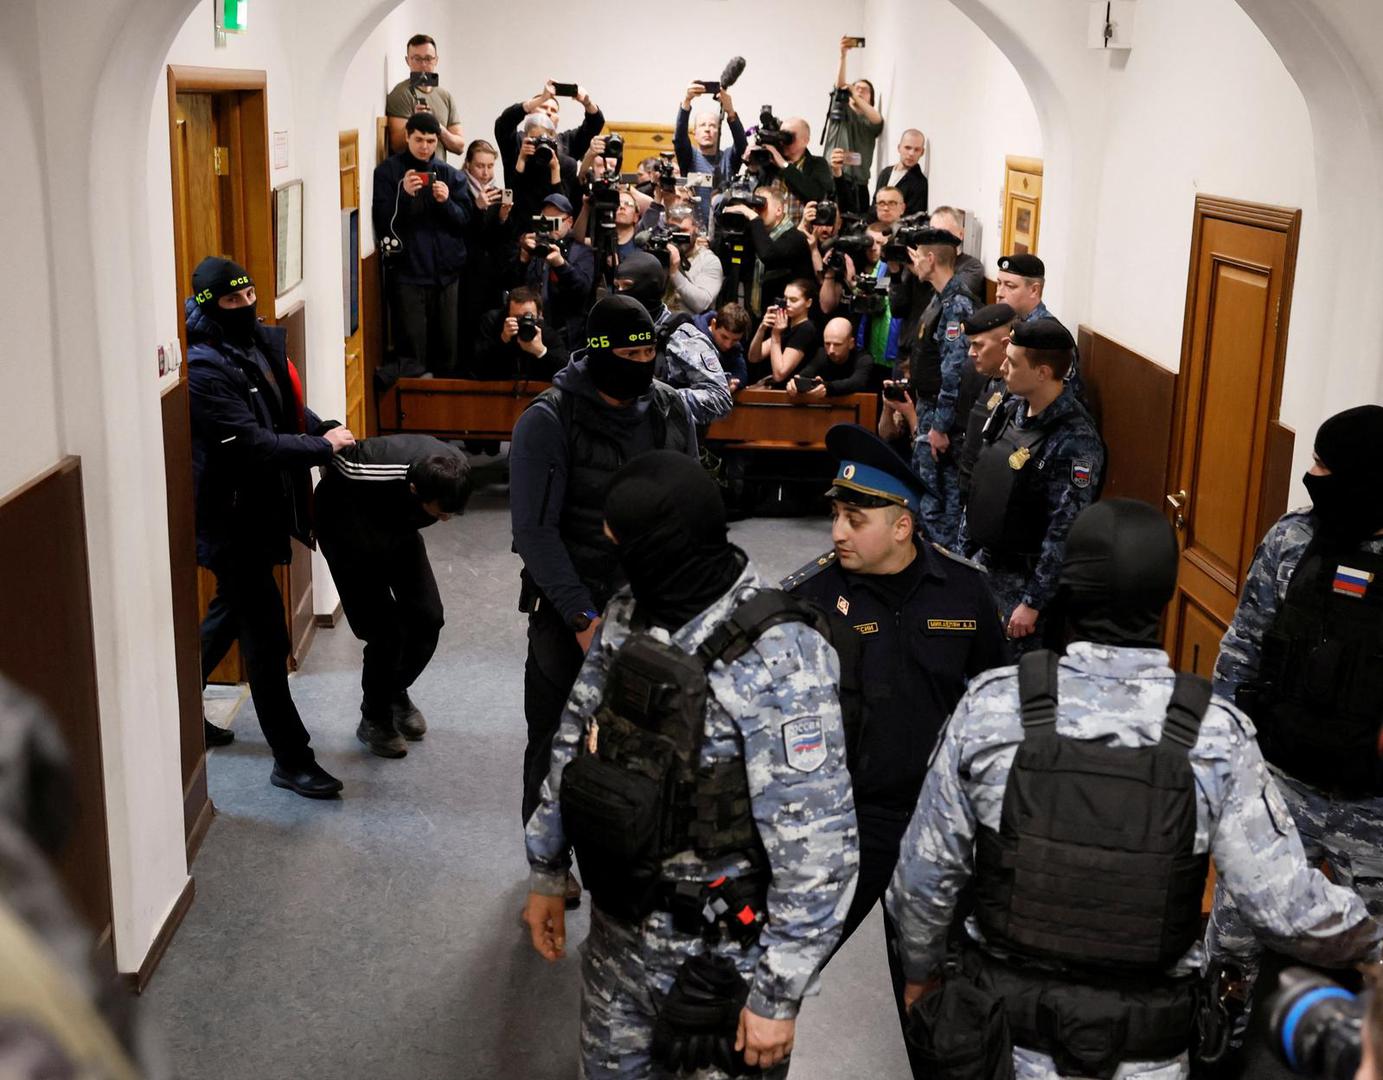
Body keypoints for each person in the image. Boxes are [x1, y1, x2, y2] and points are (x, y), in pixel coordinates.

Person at [887, 498, 1383, 1080]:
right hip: (1145, 1053)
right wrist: (1371, 943)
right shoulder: (1213, 735)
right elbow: (1284, 907)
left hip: (1003, 1043)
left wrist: (920, 974)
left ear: (1070, 587)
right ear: (1165, 595)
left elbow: (922, 879)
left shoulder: (993, 707)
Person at [523, 450, 859, 1078]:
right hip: (618, 944)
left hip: (719, 969)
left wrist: (777, 996)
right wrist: (546, 868)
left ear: (663, 547)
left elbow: (818, 845)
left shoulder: (781, 655)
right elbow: (576, 739)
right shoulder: (629, 613)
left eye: (623, 546)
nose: (616, 561)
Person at [785, 425, 1007, 1076]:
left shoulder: (965, 591)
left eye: (854, 520)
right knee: (779, 973)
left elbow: (996, 705)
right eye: (835, 516)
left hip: (943, 828)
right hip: (851, 823)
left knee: (938, 1007)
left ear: (903, 526)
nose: (837, 532)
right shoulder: (807, 599)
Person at [1206, 405, 1383, 1010]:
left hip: (1372, 808)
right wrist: (1227, 764)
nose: (1312, 476)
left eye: (1324, 466)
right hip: (1280, 787)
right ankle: (1217, 1043)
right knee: (1233, 945)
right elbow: (1242, 650)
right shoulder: (1292, 539)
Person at [509, 296, 698, 843]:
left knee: (649, 743)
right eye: (629, 353)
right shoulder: (548, 420)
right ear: (597, 352)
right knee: (555, 744)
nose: (641, 364)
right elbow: (535, 534)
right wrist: (582, 618)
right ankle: (549, 860)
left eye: (649, 352)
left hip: (651, 608)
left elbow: (687, 506)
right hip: (570, 608)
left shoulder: (670, 410)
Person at [186, 256, 350, 799]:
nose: (246, 304)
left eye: (250, 294)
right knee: (266, 637)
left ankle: (180, 716)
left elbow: (282, 408)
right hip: (229, 520)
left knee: (227, 615)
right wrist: (319, 447)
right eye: (232, 300)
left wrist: (321, 427)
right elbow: (249, 443)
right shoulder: (204, 367)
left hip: (259, 511)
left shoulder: (253, 341)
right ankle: (292, 759)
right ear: (210, 305)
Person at [314, 436, 470, 758]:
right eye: (440, 513)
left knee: (428, 617)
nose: (445, 519)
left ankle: (393, 692)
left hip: (398, 529)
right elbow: (329, 450)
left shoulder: (456, 472)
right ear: (414, 490)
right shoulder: (367, 467)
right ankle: (375, 718)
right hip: (346, 533)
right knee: (385, 633)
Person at [960, 317, 1103, 653]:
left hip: (1023, 589)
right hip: (983, 566)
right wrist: (960, 558)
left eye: (1013, 362)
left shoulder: (1076, 440)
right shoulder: (1010, 408)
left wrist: (1033, 602)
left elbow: (1064, 531)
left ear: (1042, 373)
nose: (1003, 368)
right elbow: (981, 483)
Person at [371, 112, 472, 377]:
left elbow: (465, 220)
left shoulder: (450, 175)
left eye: (430, 141)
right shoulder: (387, 173)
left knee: (447, 350)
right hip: (408, 274)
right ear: (407, 137)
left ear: (437, 141)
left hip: (446, 275)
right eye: (419, 140)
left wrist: (446, 202)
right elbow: (383, 221)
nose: (425, 147)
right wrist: (403, 195)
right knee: (413, 353)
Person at [899, 227, 978, 549]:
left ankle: (945, 564)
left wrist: (941, 426)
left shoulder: (957, 305)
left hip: (942, 418)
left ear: (931, 258)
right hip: (928, 407)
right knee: (926, 497)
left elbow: (954, 371)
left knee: (938, 503)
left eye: (917, 256)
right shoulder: (938, 298)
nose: (914, 263)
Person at [614, 250, 734, 426]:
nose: (620, 293)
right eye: (616, 286)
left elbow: (720, 398)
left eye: (626, 286)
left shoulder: (681, 336)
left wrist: (658, 400)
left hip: (665, 435)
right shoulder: (613, 330)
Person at [506, 193, 596, 354]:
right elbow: (512, 286)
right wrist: (523, 259)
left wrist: (561, 265)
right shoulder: (532, 245)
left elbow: (583, 290)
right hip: (532, 325)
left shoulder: (580, 250)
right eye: (544, 220)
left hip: (565, 330)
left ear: (569, 222)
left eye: (555, 222)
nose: (548, 226)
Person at [996, 252, 1084, 399]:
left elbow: (1057, 396)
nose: (999, 293)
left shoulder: (1048, 336)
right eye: (999, 283)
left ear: (1034, 290)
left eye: (1010, 286)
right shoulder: (1016, 324)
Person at [719, 187, 815, 321]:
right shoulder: (754, 235)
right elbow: (729, 265)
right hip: (757, 317)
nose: (756, 210)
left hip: (787, 318)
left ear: (779, 210)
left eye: (761, 205)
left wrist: (753, 217)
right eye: (753, 206)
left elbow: (769, 255)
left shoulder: (795, 238)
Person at [458, 139, 513, 367]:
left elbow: (498, 240)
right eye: (480, 166)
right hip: (465, 270)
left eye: (490, 166)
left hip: (492, 272)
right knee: (466, 324)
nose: (485, 172)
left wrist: (502, 218)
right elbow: (461, 231)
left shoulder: (497, 193)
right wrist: (478, 208)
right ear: (468, 164)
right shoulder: (460, 189)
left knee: (490, 322)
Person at [955, 303, 1015, 503]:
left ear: (1005, 345)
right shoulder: (985, 379)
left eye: (979, 345)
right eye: (971, 345)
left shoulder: (1017, 394)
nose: (971, 352)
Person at [495, 79, 605, 187]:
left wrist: (587, 103)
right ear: (530, 112)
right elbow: (504, 122)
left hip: (557, 198)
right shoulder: (516, 140)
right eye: (543, 107)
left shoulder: (566, 142)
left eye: (553, 110)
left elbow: (595, 125)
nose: (548, 112)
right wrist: (540, 99)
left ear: (557, 119)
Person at [822, 36, 884, 211]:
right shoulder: (840, 112)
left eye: (865, 90)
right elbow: (839, 86)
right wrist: (843, 56)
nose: (859, 91)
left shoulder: (869, 121)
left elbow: (878, 120)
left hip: (858, 185)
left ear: (871, 99)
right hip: (832, 179)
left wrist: (855, 95)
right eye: (856, 88)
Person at [384, 34, 464, 160]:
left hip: (440, 170)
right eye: (417, 59)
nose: (423, 64)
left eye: (428, 58)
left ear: (436, 60)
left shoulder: (445, 96)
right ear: (408, 61)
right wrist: (415, 121)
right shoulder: (401, 94)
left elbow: (459, 147)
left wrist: (437, 126)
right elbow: (396, 146)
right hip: (411, 170)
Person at [747, 117, 834, 227]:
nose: (783, 142)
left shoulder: (817, 164)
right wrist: (752, 166)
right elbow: (754, 195)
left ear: (805, 141)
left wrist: (785, 165)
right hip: (769, 233)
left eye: (788, 137)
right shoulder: (769, 164)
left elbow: (816, 194)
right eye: (781, 136)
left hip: (801, 232)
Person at [471, 286, 567, 381]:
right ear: (507, 314)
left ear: (539, 315)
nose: (524, 322)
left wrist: (541, 351)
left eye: (529, 316)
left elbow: (565, 372)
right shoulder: (493, 322)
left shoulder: (544, 330)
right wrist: (502, 340)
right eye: (518, 317)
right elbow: (476, 366)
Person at [747, 279, 820, 387]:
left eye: (794, 300)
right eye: (785, 299)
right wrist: (762, 328)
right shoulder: (785, 326)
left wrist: (775, 335)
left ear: (808, 303)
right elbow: (753, 357)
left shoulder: (806, 329)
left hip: (792, 393)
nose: (787, 304)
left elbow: (779, 374)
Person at [673, 82, 748, 187]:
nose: (707, 129)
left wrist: (730, 111)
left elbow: (742, 145)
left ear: (719, 132)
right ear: (695, 133)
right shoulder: (689, 156)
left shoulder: (727, 158)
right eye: (702, 125)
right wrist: (687, 100)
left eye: (712, 125)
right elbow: (679, 139)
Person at [786, 317, 873, 398]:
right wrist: (795, 384)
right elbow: (805, 375)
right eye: (827, 344)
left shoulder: (863, 359)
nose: (831, 350)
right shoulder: (822, 354)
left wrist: (827, 387)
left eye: (837, 344)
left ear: (851, 344)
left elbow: (857, 383)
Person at [663, 205, 723, 315]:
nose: (678, 235)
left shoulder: (709, 261)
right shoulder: (661, 254)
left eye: (683, 230)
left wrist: (674, 272)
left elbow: (702, 304)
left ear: (696, 229)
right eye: (673, 230)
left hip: (690, 322)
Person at [693, 303, 752, 390]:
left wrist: (732, 383)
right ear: (713, 325)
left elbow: (741, 374)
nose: (728, 345)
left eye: (735, 340)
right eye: (724, 337)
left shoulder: (735, 348)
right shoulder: (691, 337)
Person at [874, 129, 928, 215]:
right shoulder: (885, 173)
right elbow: (875, 205)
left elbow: (912, 217)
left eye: (917, 149)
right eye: (907, 148)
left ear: (922, 152)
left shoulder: (920, 183)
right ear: (899, 148)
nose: (911, 153)